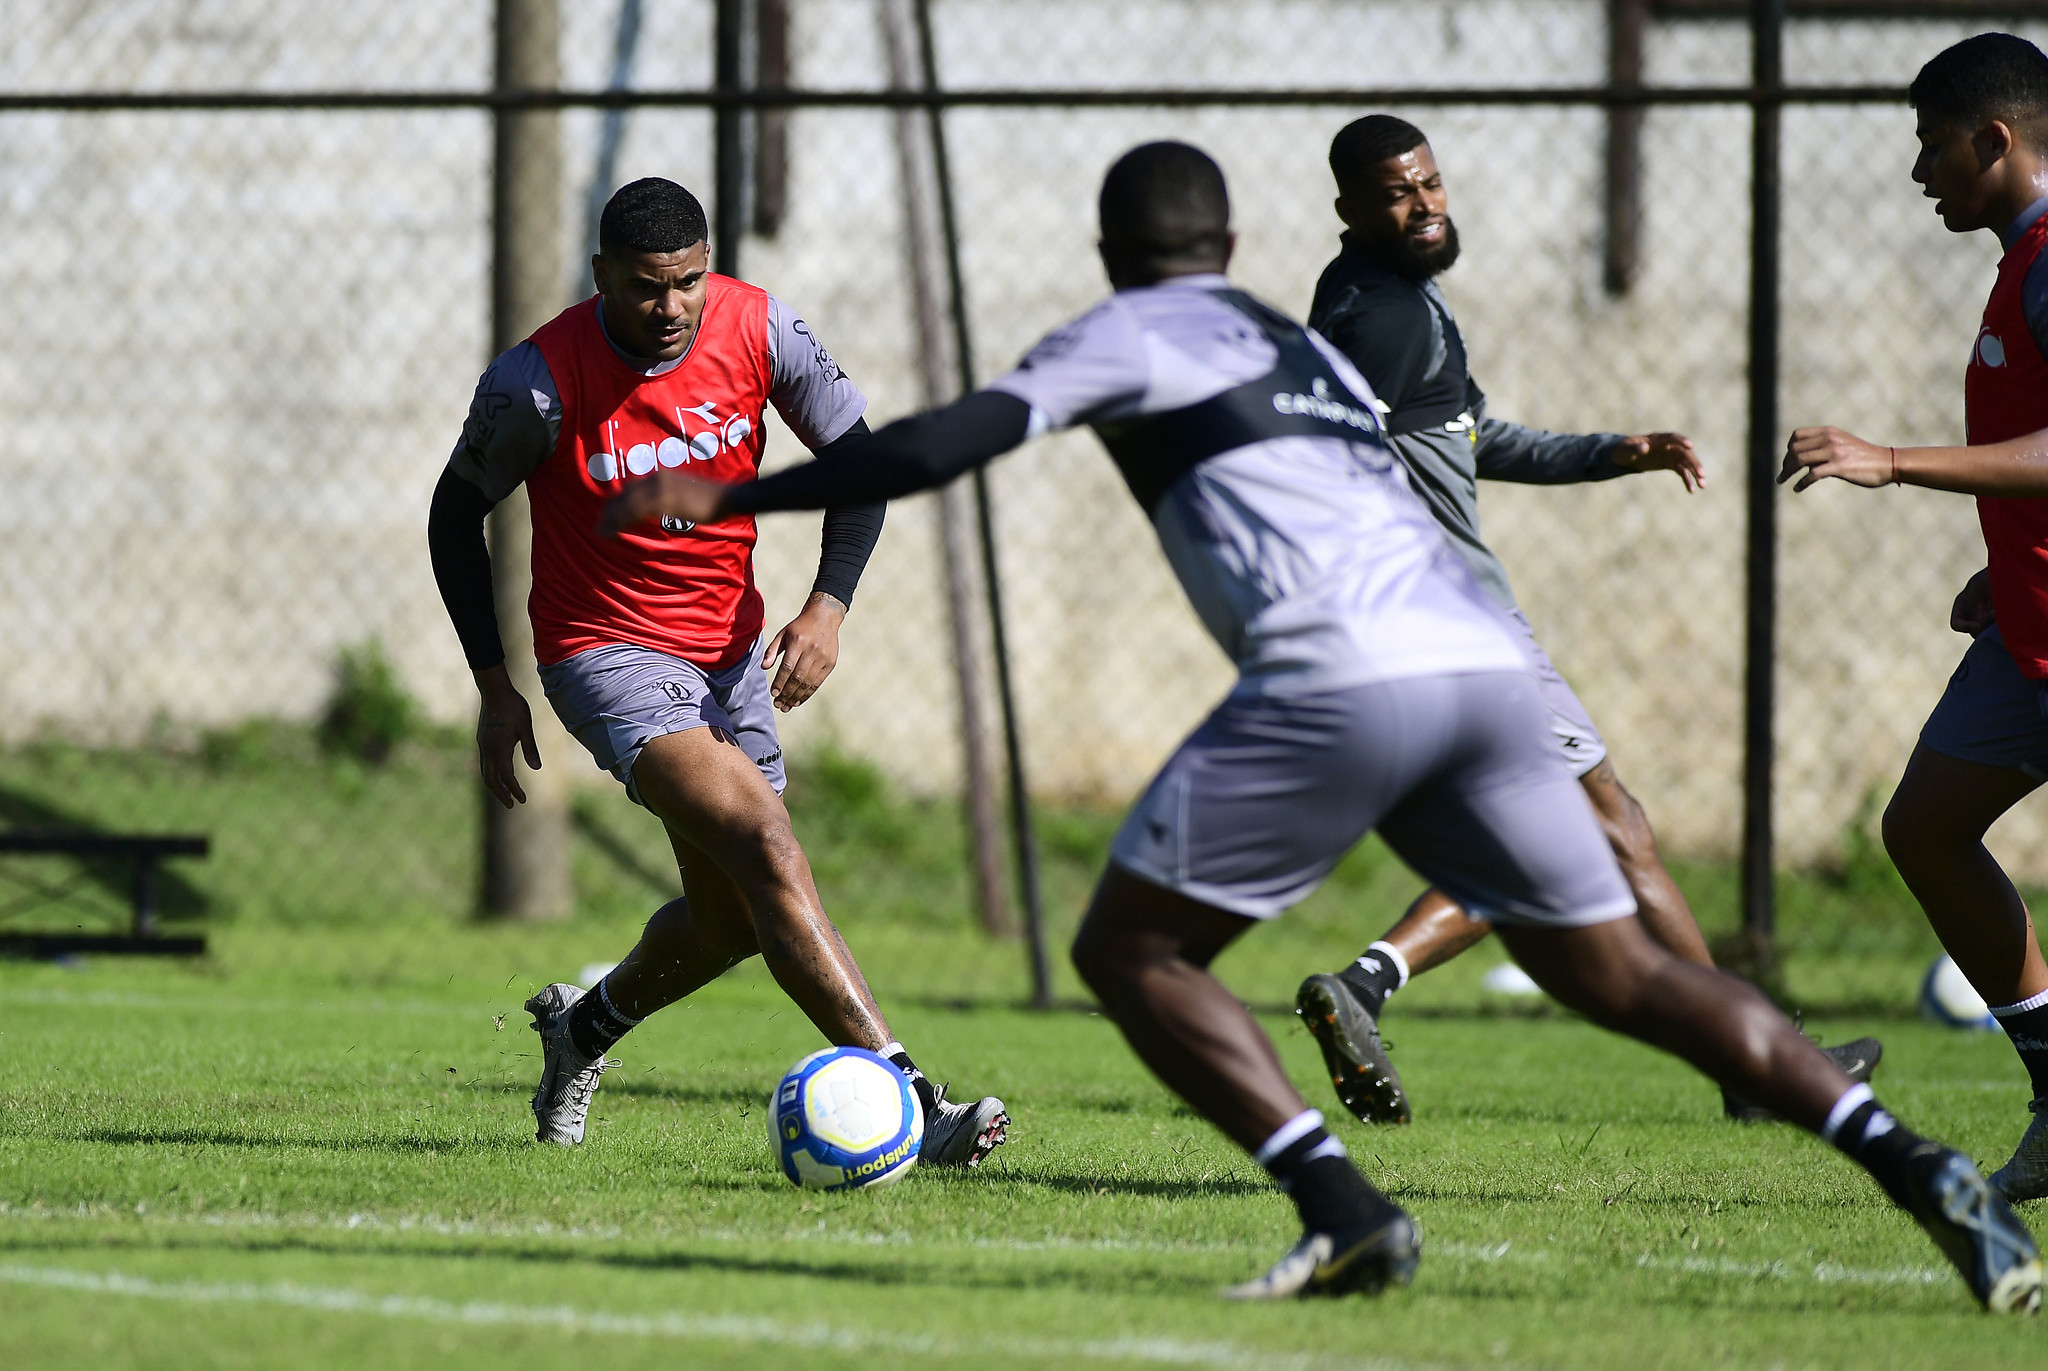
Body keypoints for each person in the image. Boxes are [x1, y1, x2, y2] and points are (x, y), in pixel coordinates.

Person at [600, 142, 2040, 1310]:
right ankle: (1920, 1170)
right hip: (1481, 662)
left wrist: (734, 501)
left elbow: (937, 444)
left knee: (1128, 948)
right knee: (1618, 972)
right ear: (1228, 247)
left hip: (1337, 676)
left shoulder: (1128, 331)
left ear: (1118, 257)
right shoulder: (1301, 343)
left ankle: (1343, 1207)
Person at [1293, 114, 1878, 1127]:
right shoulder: (1380, 319)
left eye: (1430, 183)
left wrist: (1613, 450)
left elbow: (1470, 439)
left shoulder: (1377, 299)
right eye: (1397, 193)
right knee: (1601, 830)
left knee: (1593, 835)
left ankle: (1747, 1062)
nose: (1424, 203)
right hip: (1453, 627)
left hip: (1410, 634)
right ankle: (1750, 1062)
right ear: (1350, 209)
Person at [426, 176, 1008, 1165]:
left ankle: (582, 1031)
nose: (671, 309)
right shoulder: (536, 382)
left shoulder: (761, 329)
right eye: (648, 288)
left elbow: (857, 461)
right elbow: (453, 516)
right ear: (601, 274)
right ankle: (913, 1100)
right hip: (601, 651)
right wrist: (492, 686)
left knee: (730, 919)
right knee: (767, 840)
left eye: (688, 282)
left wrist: (828, 604)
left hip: (730, 653)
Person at [1779, 32, 2048, 1206]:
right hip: (2028, 628)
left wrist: (1889, 461)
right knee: (1925, 827)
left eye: (1932, 147)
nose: (1917, 171)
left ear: (1993, 140)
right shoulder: (2019, 260)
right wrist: (2007, 570)